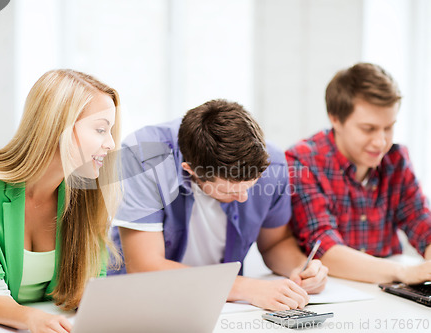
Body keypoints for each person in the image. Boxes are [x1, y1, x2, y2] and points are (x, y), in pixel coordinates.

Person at [0, 69, 122, 333]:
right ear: (58, 126)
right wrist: (32, 320)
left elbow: (91, 288)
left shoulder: (88, 194)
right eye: (101, 129)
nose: (111, 144)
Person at [110, 99, 328, 311]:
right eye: (229, 190)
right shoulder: (143, 156)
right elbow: (144, 268)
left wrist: (301, 268)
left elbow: (275, 243)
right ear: (191, 170)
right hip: (147, 305)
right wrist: (247, 288)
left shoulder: (274, 164)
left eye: (250, 186)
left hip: (224, 308)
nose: (244, 197)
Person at [286, 63, 431, 284]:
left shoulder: (396, 158)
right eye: (368, 129)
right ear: (335, 118)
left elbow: (421, 221)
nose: (381, 142)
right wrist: (402, 272)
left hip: (385, 290)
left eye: (389, 127)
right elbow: (324, 247)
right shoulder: (302, 161)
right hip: (331, 288)